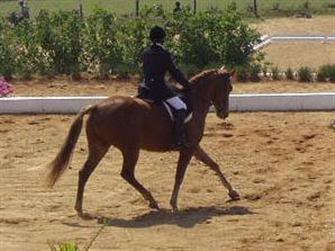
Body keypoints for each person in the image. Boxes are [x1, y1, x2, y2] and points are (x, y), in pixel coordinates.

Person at [138, 26, 191, 149]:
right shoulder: (164, 54)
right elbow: (175, 72)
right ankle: (178, 139)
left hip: (145, 88)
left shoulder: (146, 53)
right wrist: (187, 85)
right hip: (159, 90)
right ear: (163, 39)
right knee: (181, 107)